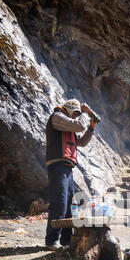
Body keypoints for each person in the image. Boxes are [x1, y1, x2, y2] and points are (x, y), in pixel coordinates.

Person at [45, 98, 99, 250]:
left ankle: (66, 240)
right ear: (68, 109)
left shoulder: (70, 125)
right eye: (74, 113)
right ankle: (51, 240)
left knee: (69, 205)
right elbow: (79, 125)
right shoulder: (57, 117)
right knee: (59, 203)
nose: (76, 116)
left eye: (77, 114)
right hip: (57, 165)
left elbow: (81, 142)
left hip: (67, 167)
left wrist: (91, 128)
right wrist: (85, 113)